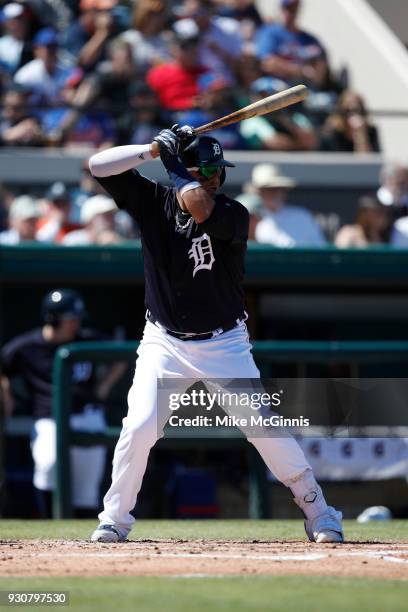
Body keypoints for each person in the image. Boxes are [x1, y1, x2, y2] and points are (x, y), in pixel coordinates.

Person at [87, 125, 343, 543]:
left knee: (264, 427)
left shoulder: (234, 213)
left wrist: (174, 164)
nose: (213, 178)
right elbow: (99, 165)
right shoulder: (155, 202)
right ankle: (115, 519)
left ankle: (319, 510)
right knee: (139, 426)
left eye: (216, 172)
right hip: (164, 341)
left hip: (224, 343)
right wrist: (153, 149)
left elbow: (199, 207)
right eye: (204, 171)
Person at [0, 289, 124, 518]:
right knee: (48, 467)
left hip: (87, 415)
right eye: (70, 318)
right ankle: (52, 530)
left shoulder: (87, 339)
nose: (75, 323)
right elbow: (4, 367)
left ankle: (79, 543)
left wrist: (103, 387)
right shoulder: (27, 346)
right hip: (49, 419)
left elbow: (120, 357)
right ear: (53, 318)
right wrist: (7, 396)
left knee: (86, 489)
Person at [256, 0, 328, 91]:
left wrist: (314, 74)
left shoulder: (309, 39)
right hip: (278, 88)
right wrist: (300, 71)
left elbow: (320, 71)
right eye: (287, 9)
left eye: (294, 9)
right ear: (281, 9)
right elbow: (267, 63)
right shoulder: (270, 32)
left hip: (306, 90)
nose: (290, 13)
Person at [251, 164, 326, 247]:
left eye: (277, 189)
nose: (273, 193)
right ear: (259, 193)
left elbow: (320, 247)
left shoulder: (302, 216)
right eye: (268, 190)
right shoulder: (251, 221)